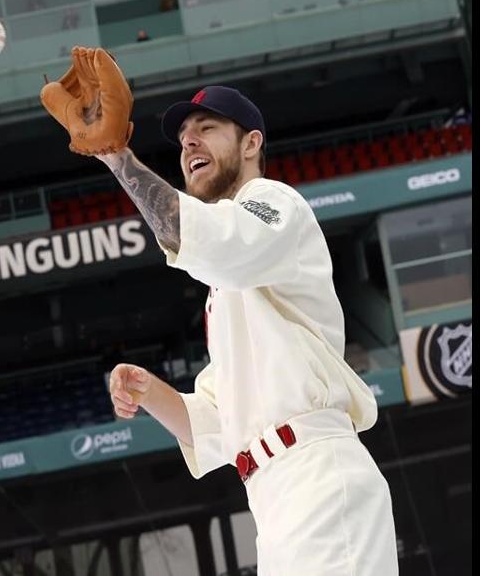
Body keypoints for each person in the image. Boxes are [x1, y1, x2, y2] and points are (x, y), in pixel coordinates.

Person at [96, 83, 397, 575]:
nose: (189, 142)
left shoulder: (271, 202)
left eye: (206, 129)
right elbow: (214, 423)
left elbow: (202, 239)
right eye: (184, 138)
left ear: (251, 144)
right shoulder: (229, 286)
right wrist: (149, 391)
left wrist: (118, 158)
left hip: (318, 472)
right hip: (272, 496)